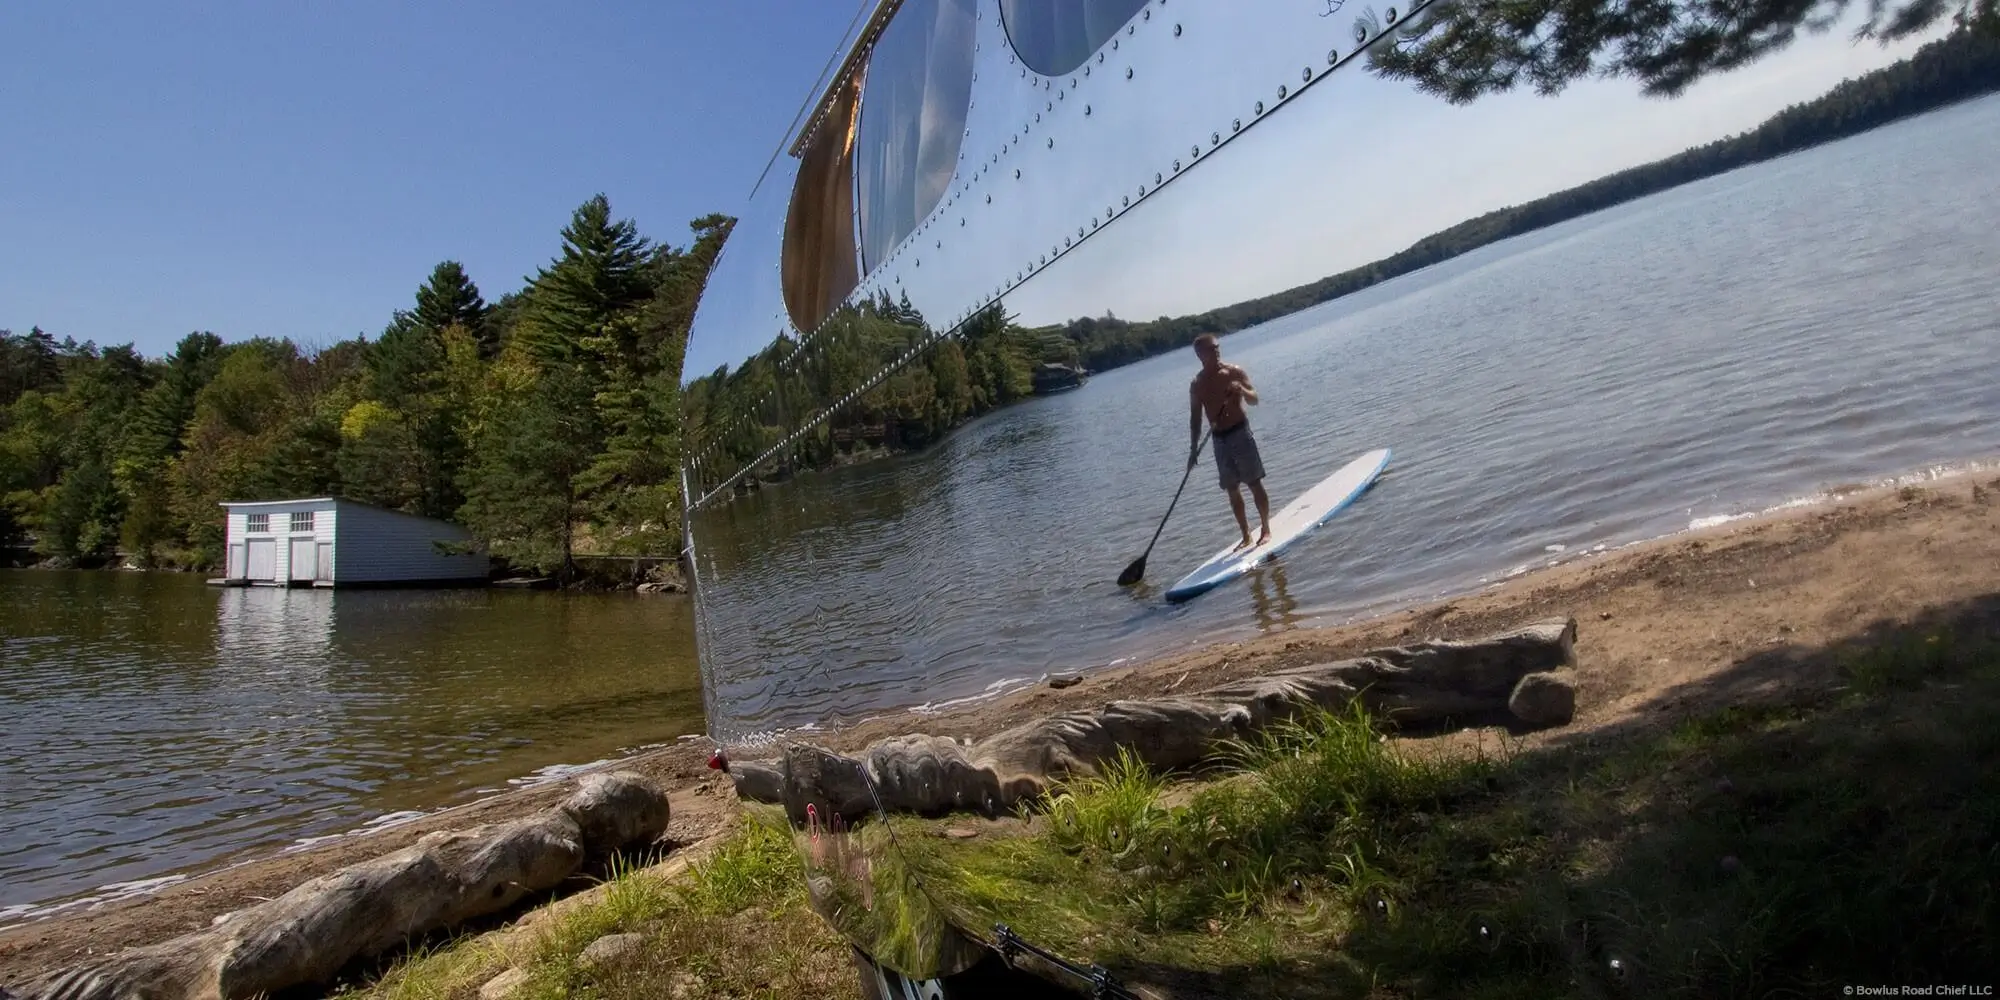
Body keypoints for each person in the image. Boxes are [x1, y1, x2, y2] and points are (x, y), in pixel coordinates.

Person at [1188, 333, 1271, 550]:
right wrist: (1193, 449)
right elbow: (1195, 419)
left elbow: (1255, 400)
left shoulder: (1234, 372)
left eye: (1217, 347)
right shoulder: (1197, 384)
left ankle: (1265, 528)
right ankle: (1245, 535)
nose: (1216, 351)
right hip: (1219, 440)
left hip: (1240, 432)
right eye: (1210, 349)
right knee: (1232, 488)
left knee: (1254, 482)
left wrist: (1241, 390)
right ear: (1199, 355)